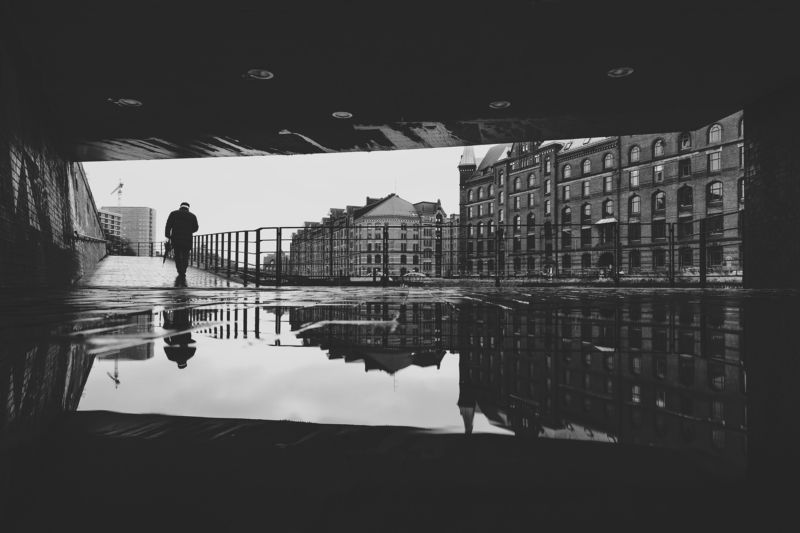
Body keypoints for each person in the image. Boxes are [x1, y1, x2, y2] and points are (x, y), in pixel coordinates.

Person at [165, 201, 198, 278]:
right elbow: (196, 228)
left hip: (176, 238)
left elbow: (168, 225)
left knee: (177, 255)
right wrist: (189, 231)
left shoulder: (173, 213)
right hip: (187, 239)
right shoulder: (192, 216)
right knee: (185, 255)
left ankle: (180, 270)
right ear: (188, 208)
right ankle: (183, 270)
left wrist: (168, 235)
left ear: (180, 207)